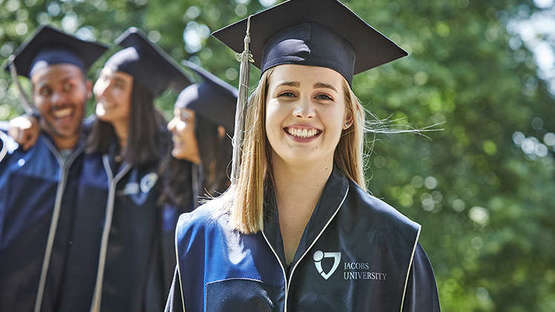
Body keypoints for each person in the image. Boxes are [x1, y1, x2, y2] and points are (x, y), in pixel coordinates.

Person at [165, 0, 440, 311]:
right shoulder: (203, 235)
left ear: (348, 114)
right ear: (261, 108)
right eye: (287, 93)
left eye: (323, 96)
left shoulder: (395, 245)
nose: (304, 111)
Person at [56, 27, 190, 312]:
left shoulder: (169, 156)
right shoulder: (84, 145)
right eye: (103, 77)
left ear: (140, 97)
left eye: (117, 84)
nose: (102, 90)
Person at [0, 25, 107, 311]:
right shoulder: (8, 150)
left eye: (68, 86)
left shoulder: (108, 158)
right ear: (33, 99)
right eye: (45, 91)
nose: (58, 100)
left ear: (87, 88)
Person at [158, 60, 236, 288]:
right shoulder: (184, 183)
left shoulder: (237, 200)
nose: (172, 126)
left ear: (218, 131)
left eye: (184, 118)